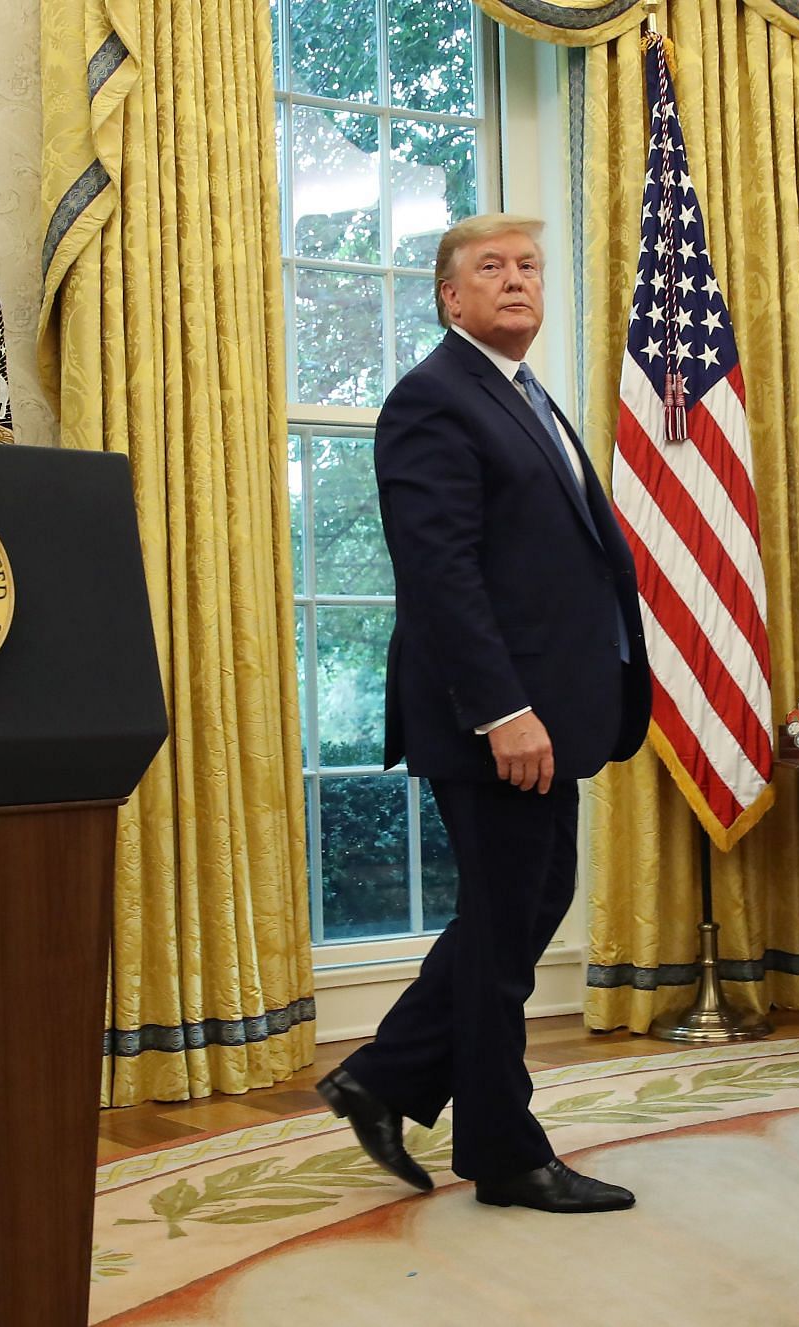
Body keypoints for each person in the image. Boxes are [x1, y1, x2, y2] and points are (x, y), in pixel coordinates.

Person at [315, 214, 651, 1214]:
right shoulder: (433, 399)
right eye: (490, 267)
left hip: (552, 711)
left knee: (519, 914)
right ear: (449, 298)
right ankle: (505, 1154)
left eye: (530, 266)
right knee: (507, 932)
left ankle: (385, 1076)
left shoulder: (524, 395)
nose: (516, 281)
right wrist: (504, 708)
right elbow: (439, 573)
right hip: (496, 718)